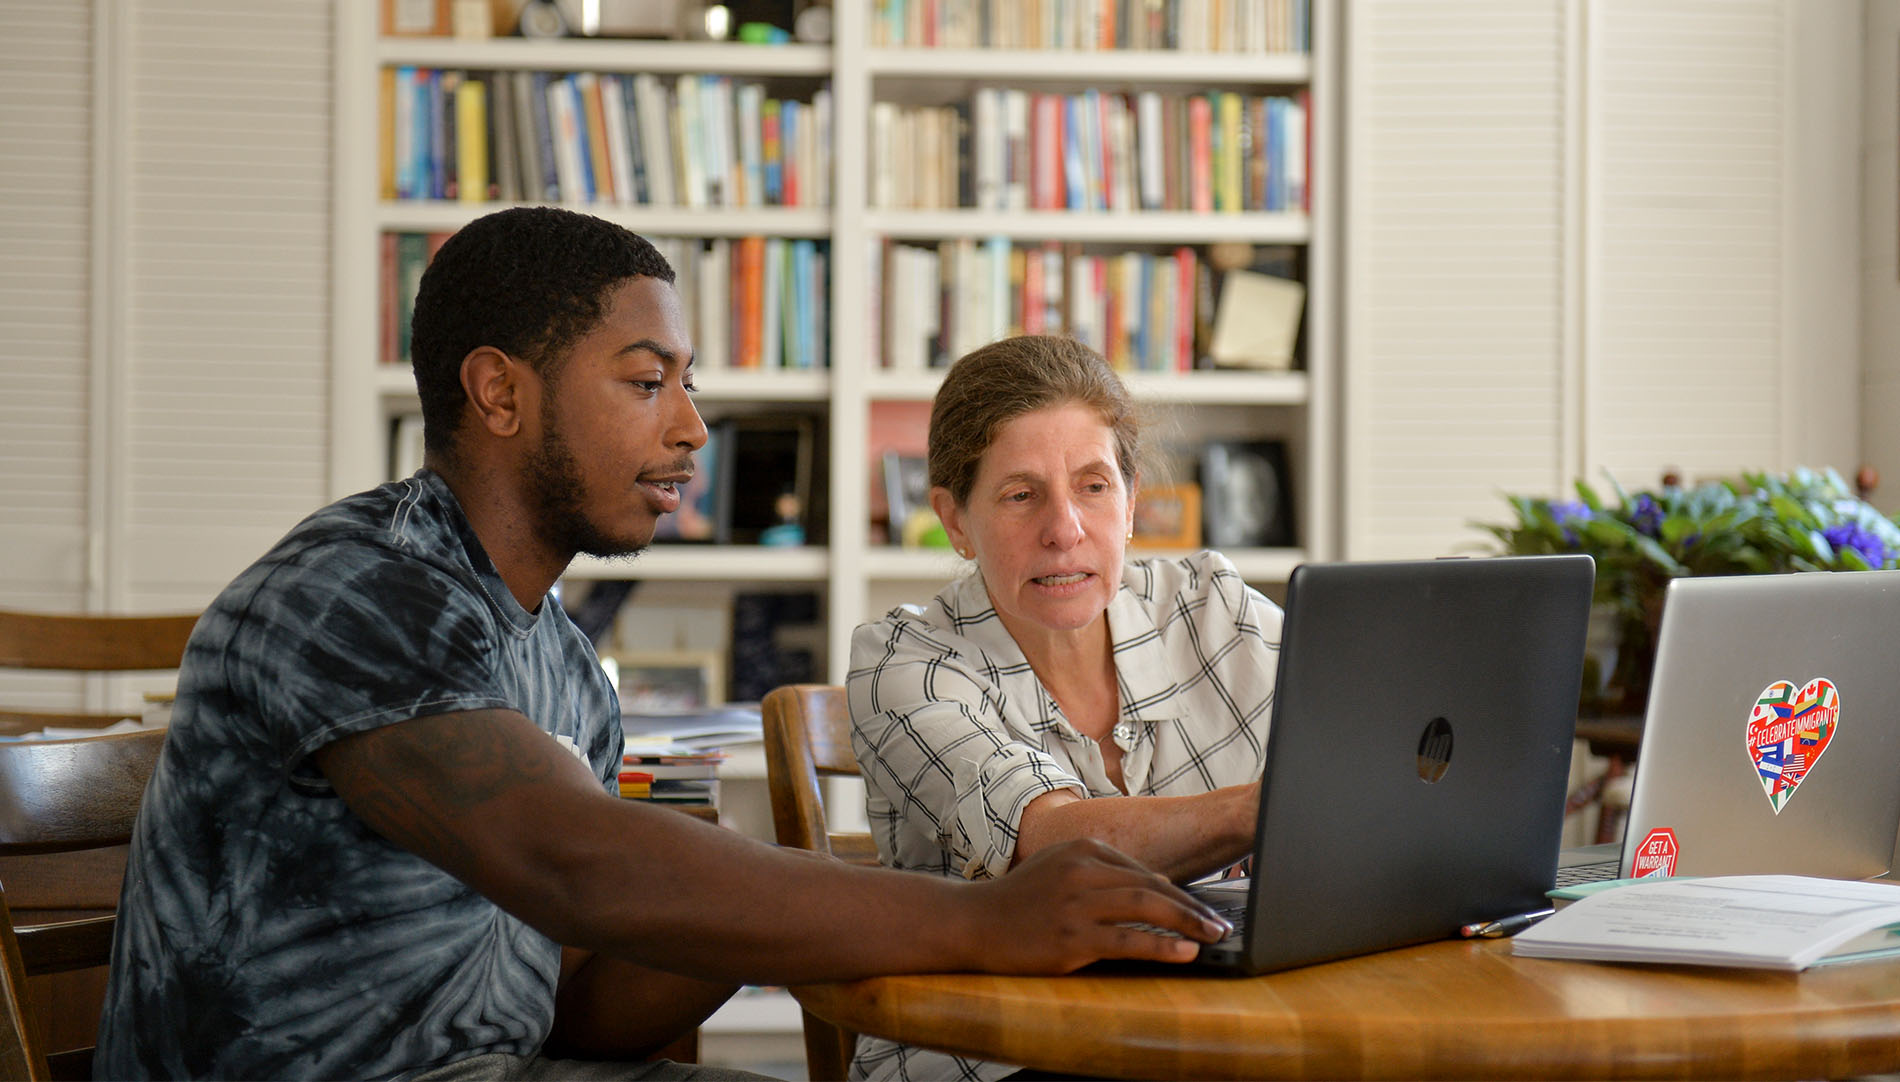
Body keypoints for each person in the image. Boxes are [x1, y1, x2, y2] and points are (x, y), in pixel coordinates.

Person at [93, 209, 1233, 1082]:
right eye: (647, 382)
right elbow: (575, 862)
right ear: (497, 391)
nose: (691, 426)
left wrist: (754, 900)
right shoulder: (356, 589)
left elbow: (577, 1000)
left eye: (687, 383)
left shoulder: (565, 670)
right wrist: (983, 915)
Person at [848, 334, 1284, 1082]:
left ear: (1131, 496)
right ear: (955, 520)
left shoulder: (1216, 608)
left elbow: (1368, 739)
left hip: (1213, 1040)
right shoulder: (901, 663)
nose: (1065, 530)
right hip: (994, 1057)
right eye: (1021, 495)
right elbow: (1051, 844)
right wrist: (1279, 808)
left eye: (1092, 485)